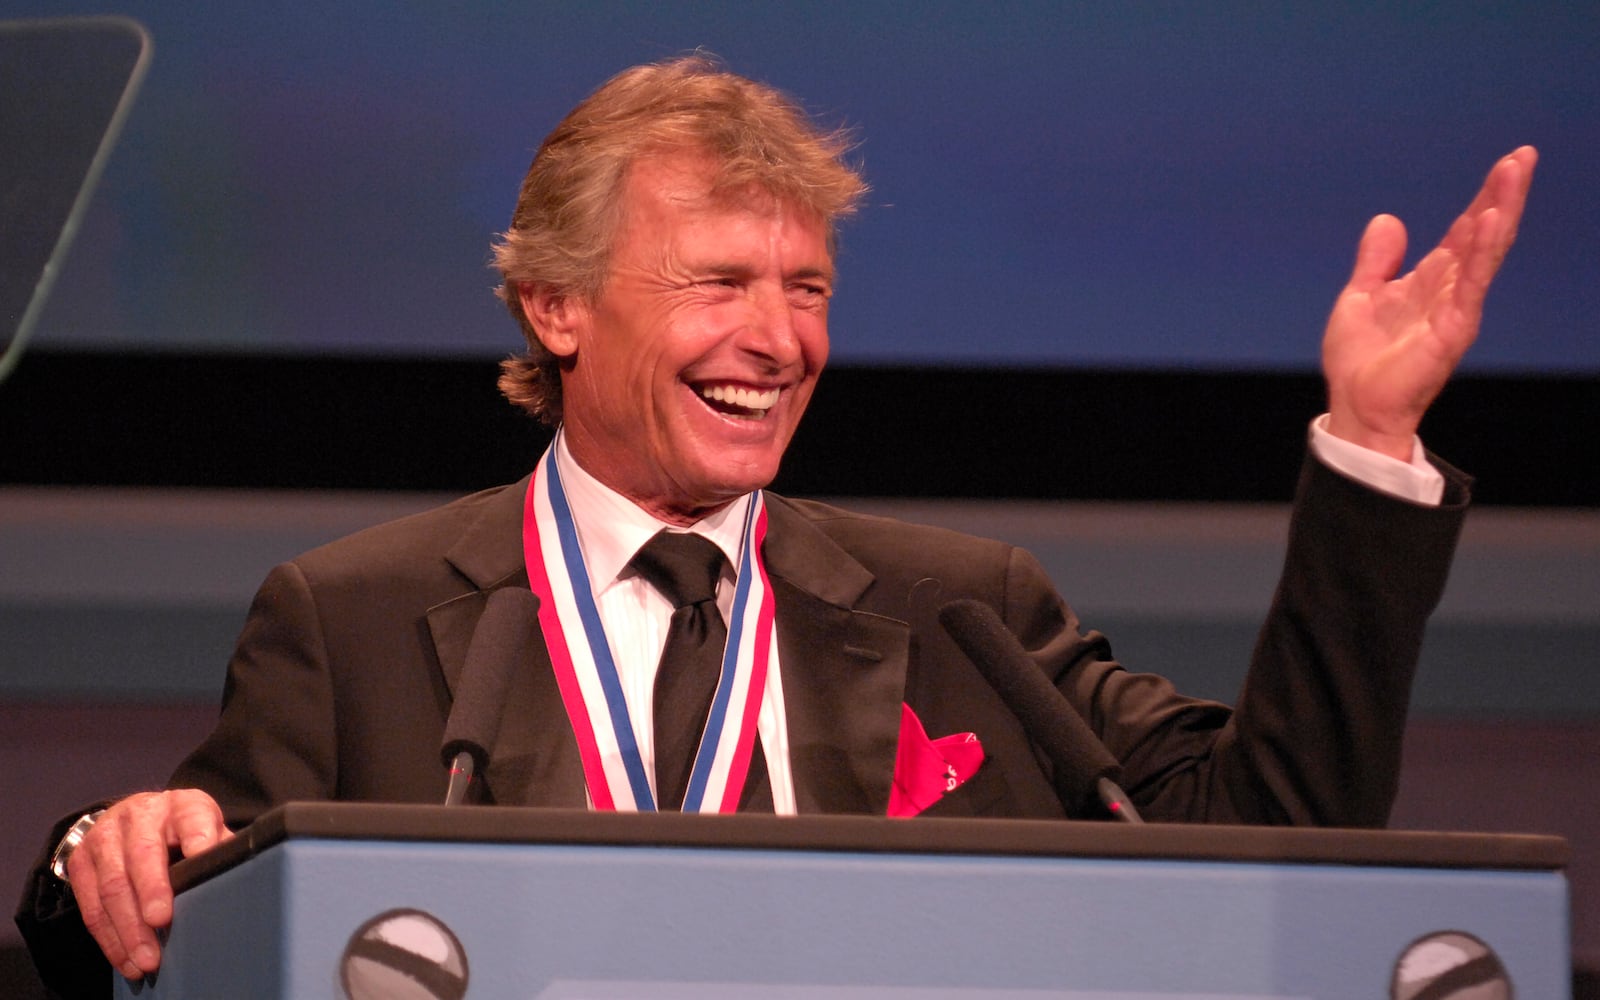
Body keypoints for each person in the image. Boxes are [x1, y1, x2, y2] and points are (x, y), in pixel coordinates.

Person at [16, 55, 1536, 997]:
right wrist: (109, 841)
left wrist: (1371, 445)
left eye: (805, 287)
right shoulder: (355, 615)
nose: (779, 336)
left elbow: (1279, 845)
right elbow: (149, 920)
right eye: (717, 283)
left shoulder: (962, 610)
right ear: (556, 305)